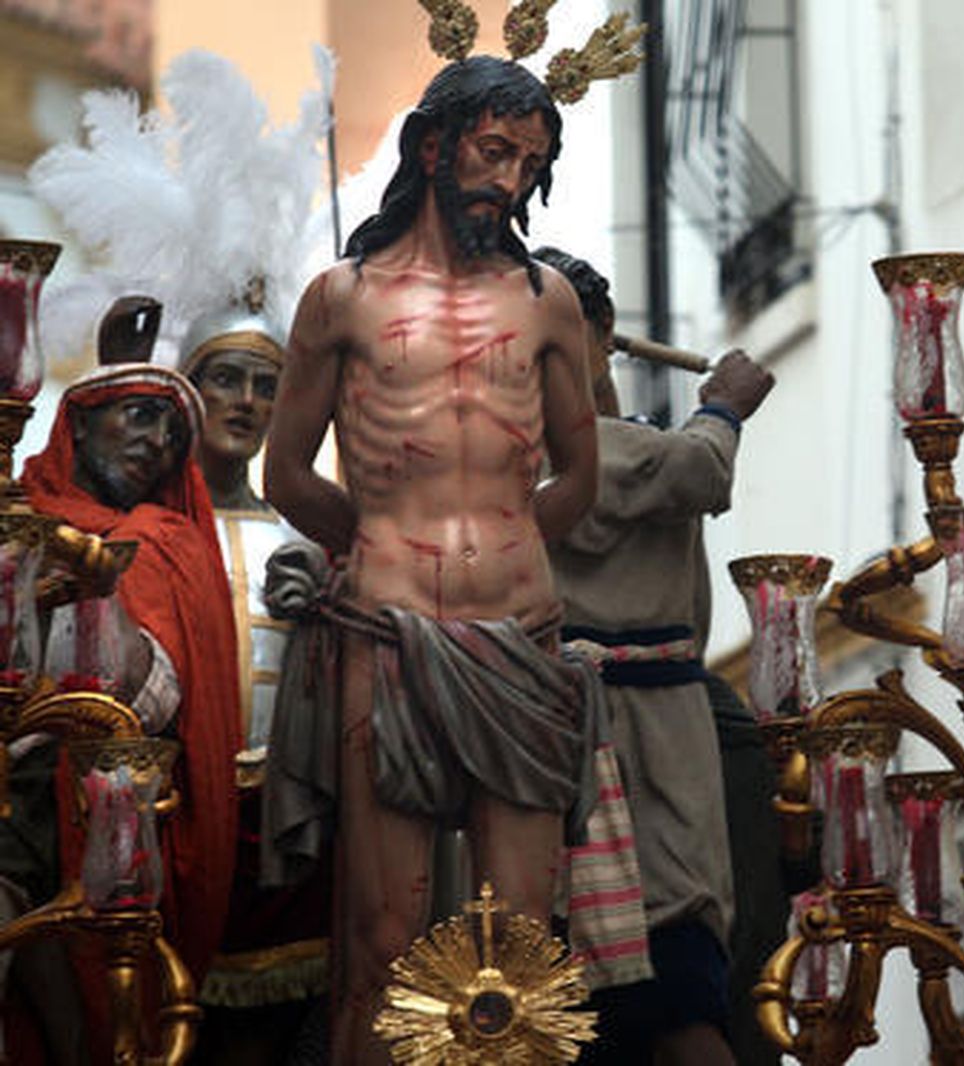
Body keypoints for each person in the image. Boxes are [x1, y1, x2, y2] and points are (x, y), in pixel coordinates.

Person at [263, 55, 602, 1064]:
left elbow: (580, 477)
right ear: (432, 147)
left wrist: (506, 546)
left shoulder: (546, 301)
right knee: (382, 941)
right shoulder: (342, 298)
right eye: (493, 151)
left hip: (520, 633)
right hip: (390, 635)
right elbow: (286, 473)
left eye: (528, 164)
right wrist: (376, 542)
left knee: (521, 949)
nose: (508, 180)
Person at [535, 246, 774, 1066]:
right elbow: (699, 468)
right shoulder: (573, 451)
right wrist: (725, 408)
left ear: (602, 334)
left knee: (672, 956)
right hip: (628, 735)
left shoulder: (610, 442)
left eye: (562, 339)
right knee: (671, 976)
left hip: (651, 728)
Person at [17, 363, 241, 1019]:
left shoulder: (162, 543)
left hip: (99, 797)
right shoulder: (19, 518)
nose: (158, 443)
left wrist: (99, 592)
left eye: (173, 434)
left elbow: (153, 702)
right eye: (141, 416)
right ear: (82, 423)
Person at [179, 302, 332, 1063]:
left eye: (266, 386)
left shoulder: (297, 536)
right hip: (182, 809)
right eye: (226, 379)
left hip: (279, 817)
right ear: (188, 389)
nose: (245, 402)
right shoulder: (154, 530)